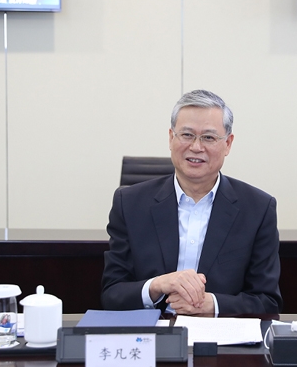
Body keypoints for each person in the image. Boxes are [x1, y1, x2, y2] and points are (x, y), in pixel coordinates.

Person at [101, 89, 282, 316]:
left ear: (228, 144)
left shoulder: (258, 209)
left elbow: (267, 302)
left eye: (209, 137)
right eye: (187, 135)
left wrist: (211, 305)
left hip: (218, 333)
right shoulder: (129, 204)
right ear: (171, 138)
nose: (196, 147)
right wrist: (156, 286)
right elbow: (112, 294)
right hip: (153, 332)